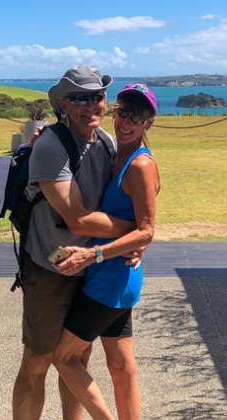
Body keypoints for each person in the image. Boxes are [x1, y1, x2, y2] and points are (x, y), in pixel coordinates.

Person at [12, 66, 138, 420]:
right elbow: (78, 218)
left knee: (76, 359)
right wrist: (139, 232)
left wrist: (135, 238)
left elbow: (129, 191)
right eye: (79, 98)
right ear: (63, 105)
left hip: (93, 266)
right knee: (37, 361)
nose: (91, 104)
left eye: (96, 96)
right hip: (51, 269)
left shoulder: (108, 143)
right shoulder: (51, 146)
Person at [52, 83, 160, 420]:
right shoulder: (116, 153)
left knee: (64, 357)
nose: (127, 122)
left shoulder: (140, 165)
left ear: (148, 123)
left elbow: (147, 230)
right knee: (121, 366)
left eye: (137, 117)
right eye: (123, 112)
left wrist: (94, 255)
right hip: (117, 277)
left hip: (109, 281)